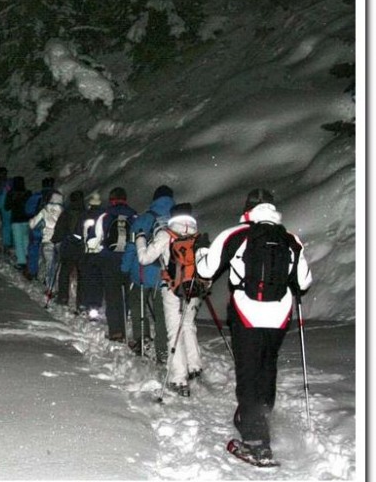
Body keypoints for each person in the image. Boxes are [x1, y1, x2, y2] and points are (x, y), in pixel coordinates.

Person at [195, 188, 312, 462]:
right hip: (279, 315)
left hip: (246, 312)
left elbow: (205, 271)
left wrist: (202, 250)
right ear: (273, 209)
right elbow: (304, 282)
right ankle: (258, 417)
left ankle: (256, 441)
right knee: (267, 366)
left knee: (248, 372)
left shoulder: (235, 235)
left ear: (248, 208)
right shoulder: (290, 239)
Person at [135, 202, 204, 397]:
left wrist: (141, 239)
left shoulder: (166, 234)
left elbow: (145, 259)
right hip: (194, 288)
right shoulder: (198, 236)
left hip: (172, 288)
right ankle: (195, 366)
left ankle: (178, 378)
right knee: (189, 325)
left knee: (174, 331)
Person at [121, 185, 174, 363]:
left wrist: (125, 268)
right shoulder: (176, 219)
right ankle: (162, 350)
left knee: (137, 305)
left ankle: (142, 340)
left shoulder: (143, 219)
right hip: (166, 273)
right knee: (162, 313)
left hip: (142, 272)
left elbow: (131, 247)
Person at [96, 187, 137, 341]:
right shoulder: (134, 215)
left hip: (109, 260)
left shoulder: (105, 216)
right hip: (129, 259)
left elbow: (98, 238)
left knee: (112, 296)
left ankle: (116, 331)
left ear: (111, 199)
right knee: (126, 295)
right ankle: (125, 327)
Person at [51, 190, 86, 309]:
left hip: (68, 247)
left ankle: (63, 297)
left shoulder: (66, 213)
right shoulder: (86, 213)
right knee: (82, 274)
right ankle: (81, 302)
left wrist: (56, 240)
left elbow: (59, 230)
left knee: (64, 272)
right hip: (82, 248)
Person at [28, 188, 64, 293]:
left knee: (49, 264)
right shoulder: (63, 212)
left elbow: (32, 224)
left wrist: (40, 225)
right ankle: (56, 287)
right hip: (59, 242)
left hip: (47, 241)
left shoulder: (44, 210)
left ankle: (49, 288)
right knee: (57, 265)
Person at [25, 178, 55, 280]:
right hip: (51, 229)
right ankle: (49, 278)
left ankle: (32, 271)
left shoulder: (36, 196)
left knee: (34, 248)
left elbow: (28, 210)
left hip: (37, 227)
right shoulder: (57, 198)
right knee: (50, 255)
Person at [4, 176, 31, 271]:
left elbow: (7, 207)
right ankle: (28, 257)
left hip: (15, 220)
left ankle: (21, 262)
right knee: (26, 239)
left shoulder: (11, 194)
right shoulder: (28, 193)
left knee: (18, 241)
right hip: (26, 219)